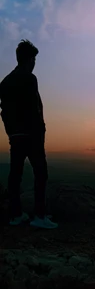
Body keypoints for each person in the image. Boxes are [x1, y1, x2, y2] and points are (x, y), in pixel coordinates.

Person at [0, 39, 58, 229]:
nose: (34, 62)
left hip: (15, 135)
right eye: (34, 58)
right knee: (40, 173)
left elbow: (4, 111)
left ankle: (15, 215)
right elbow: (35, 108)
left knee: (15, 174)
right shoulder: (29, 78)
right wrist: (40, 130)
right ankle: (39, 216)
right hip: (32, 134)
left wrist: (11, 132)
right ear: (28, 59)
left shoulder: (5, 82)